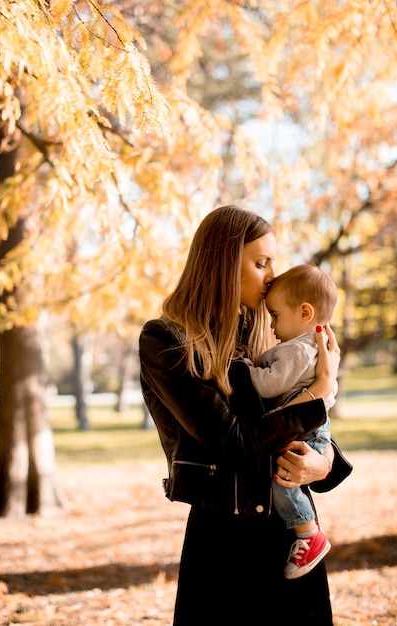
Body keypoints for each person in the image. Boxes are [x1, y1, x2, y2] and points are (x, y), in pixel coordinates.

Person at [139, 205, 352, 626]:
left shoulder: (270, 335)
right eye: (260, 263)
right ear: (221, 264)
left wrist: (323, 462)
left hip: (293, 538)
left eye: (273, 260)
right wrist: (319, 393)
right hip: (223, 543)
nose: (272, 275)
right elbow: (235, 444)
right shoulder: (167, 341)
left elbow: (300, 433)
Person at [244, 264, 338, 580]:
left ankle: (308, 533)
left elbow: (269, 385)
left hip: (305, 426)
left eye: (276, 315)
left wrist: (245, 371)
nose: (271, 325)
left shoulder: (300, 348)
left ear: (305, 312)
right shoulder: (313, 344)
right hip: (312, 424)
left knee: (281, 477)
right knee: (283, 474)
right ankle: (307, 532)